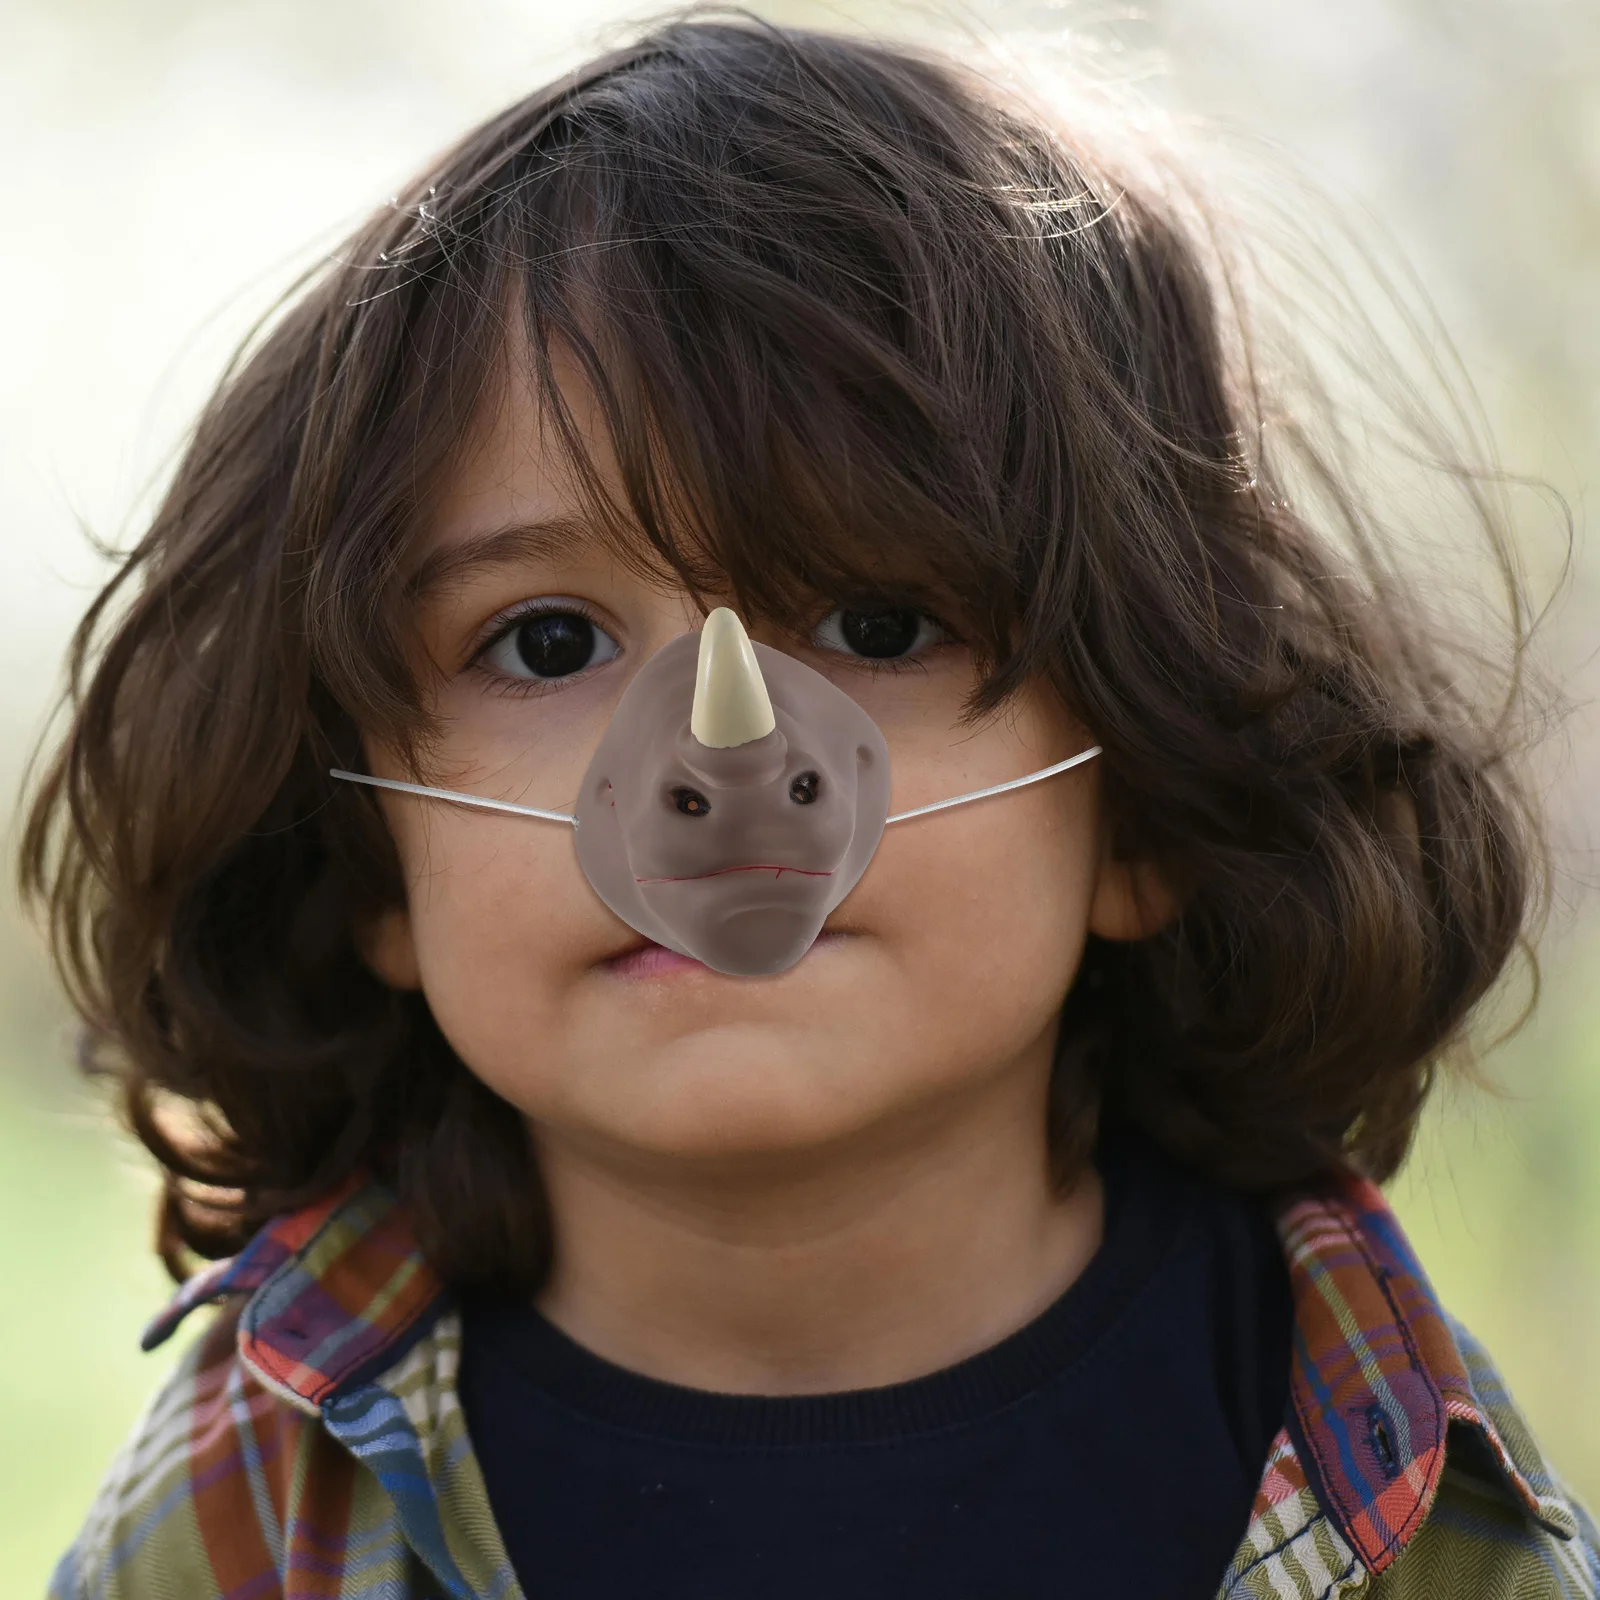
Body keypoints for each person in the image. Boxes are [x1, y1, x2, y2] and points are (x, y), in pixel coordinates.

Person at [22, 14, 1598, 1600]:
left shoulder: (1400, 1470)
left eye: (879, 625)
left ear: (1144, 804)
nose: (716, 770)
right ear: (367, 858)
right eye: (547, 641)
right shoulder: (241, 1511)